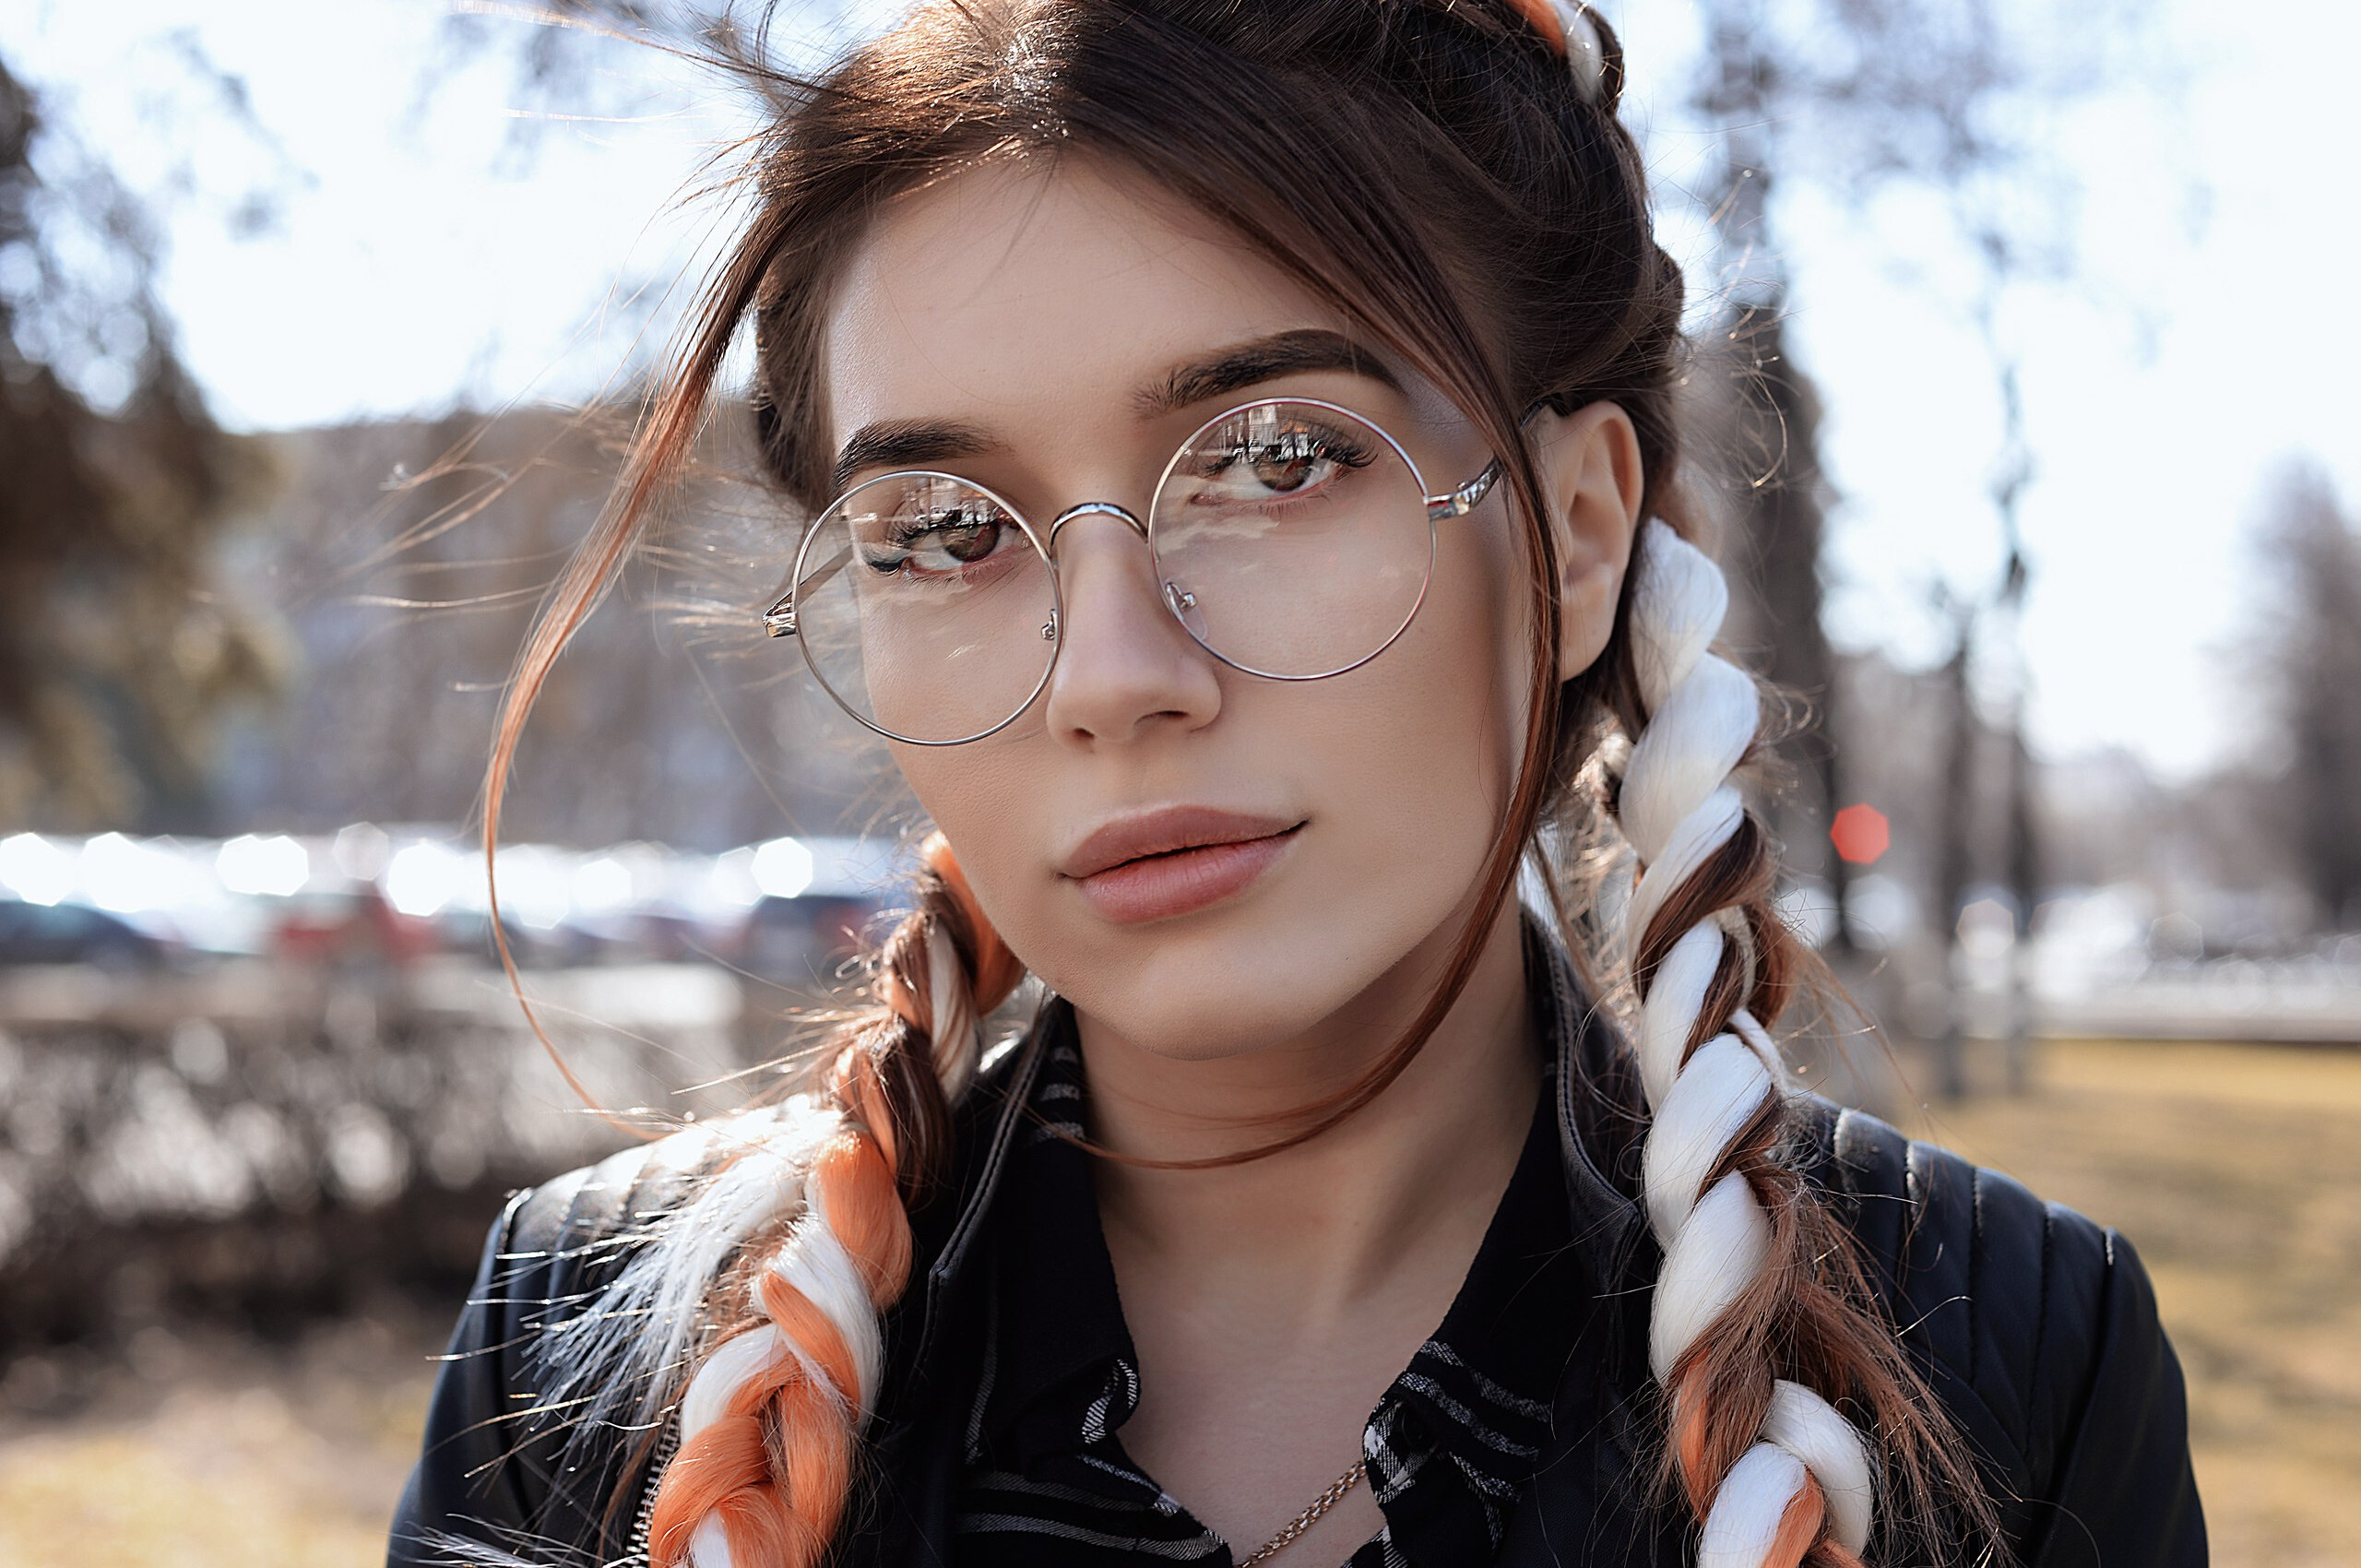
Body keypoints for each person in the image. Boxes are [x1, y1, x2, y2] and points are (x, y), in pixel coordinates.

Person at [388, 3, 2204, 1565]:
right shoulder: (584, 1366)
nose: (1112, 676)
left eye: (1269, 460)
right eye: (943, 531)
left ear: (1577, 532)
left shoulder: (2008, 1364)